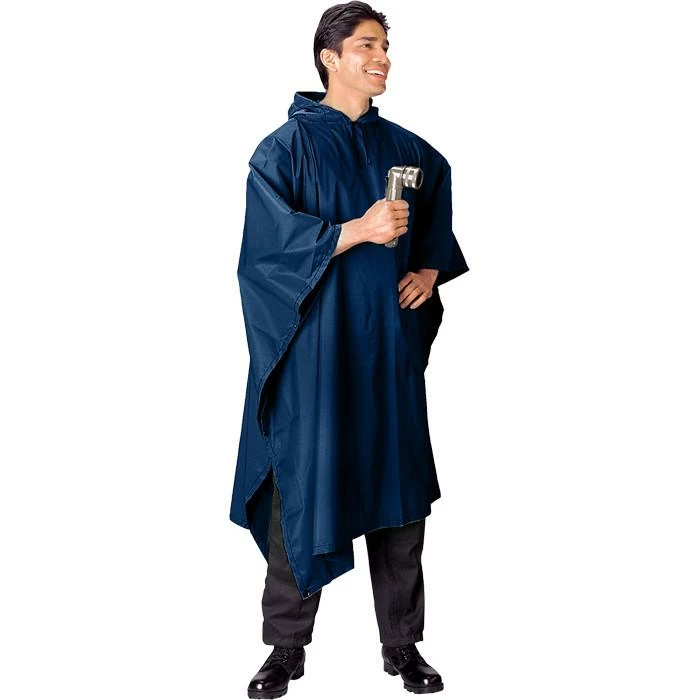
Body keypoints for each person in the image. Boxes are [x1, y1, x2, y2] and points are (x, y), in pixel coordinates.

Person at [229, 2, 469, 697]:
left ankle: (403, 646)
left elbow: (438, 192)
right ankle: (285, 649)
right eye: (367, 45)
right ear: (329, 57)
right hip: (316, 357)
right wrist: (356, 230)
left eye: (385, 46)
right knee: (302, 490)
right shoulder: (284, 150)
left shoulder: (409, 150)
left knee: (399, 497)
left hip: (386, 354)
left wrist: (429, 267)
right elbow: (263, 256)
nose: (382, 57)